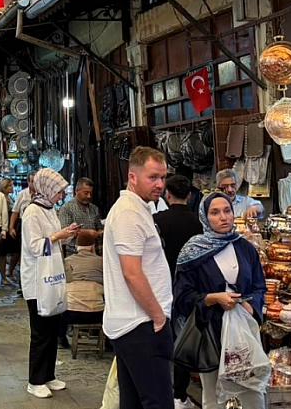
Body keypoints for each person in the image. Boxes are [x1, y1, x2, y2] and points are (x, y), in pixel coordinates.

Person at [173, 192, 267, 409]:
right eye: (215, 213)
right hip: (211, 332)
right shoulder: (192, 252)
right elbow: (182, 297)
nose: (223, 217)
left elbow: (259, 286)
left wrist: (250, 306)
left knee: (251, 391)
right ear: (205, 217)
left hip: (244, 330)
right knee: (214, 396)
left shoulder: (245, 248)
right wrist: (212, 299)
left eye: (227, 211)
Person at [103, 146, 174, 409]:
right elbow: (131, 273)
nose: (159, 184)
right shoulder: (128, 213)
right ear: (133, 177)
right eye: (153, 177)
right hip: (141, 323)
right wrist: (157, 316)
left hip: (137, 322)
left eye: (163, 177)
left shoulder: (139, 208)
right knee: (158, 402)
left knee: (133, 402)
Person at [20, 168, 79, 399]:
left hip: (51, 277)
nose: (60, 196)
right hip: (37, 281)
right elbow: (35, 246)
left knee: (52, 328)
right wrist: (59, 236)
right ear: (47, 189)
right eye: (58, 192)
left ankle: (49, 375)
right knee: (41, 332)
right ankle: (35, 380)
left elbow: (54, 239)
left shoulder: (49, 209)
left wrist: (68, 234)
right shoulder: (32, 212)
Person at [154, 174, 204, 409]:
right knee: (184, 340)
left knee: (162, 337)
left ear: (167, 194)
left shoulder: (157, 221)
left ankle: (161, 390)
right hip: (189, 287)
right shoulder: (198, 223)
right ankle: (179, 395)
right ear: (190, 196)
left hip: (161, 286)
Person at [63, 229, 104, 326]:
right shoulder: (101, 262)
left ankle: (61, 338)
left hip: (69, 313)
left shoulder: (66, 261)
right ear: (92, 248)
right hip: (96, 313)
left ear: (76, 247)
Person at [57, 177, 102, 257]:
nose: (89, 196)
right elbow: (65, 233)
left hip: (94, 252)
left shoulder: (94, 208)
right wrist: (87, 233)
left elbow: (99, 228)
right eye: (86, 193)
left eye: (90, 193)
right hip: (73, 254)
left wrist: (100, 232)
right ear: (76, 191)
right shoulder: (67, 208)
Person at [0, 178, 21, 287]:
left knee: (16, 251)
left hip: (12, 227)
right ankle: (3, 277)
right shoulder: (1, 199)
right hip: (4, 227)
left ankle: (9, 271)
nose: (11, 187)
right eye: (9, 186)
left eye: (11, 185)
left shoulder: (10, 198)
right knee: (3, 253)